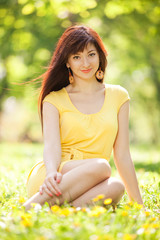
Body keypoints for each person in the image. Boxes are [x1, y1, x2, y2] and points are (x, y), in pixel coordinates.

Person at [23, 25, 144, 211]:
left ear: (101, 56)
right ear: (67, 62)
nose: (85, 63)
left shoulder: (119, 96)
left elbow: (122, 154)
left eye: (91, 54)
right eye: (77, 57)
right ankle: (31, 207)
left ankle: (57, 212)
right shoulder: (54, 100)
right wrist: (51, 173)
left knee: (116, 187)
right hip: (55, 178)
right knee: (103, 167)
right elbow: (52, 145)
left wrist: (139, 206)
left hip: (92, 182)